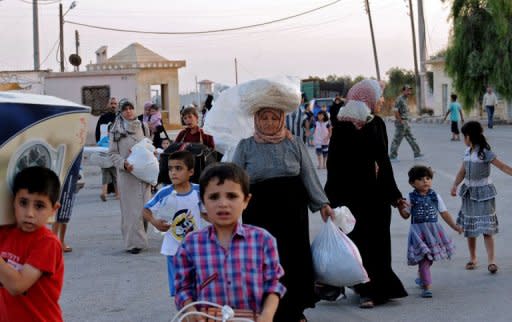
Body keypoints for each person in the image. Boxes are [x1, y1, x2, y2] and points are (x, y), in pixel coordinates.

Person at [232, 78, 334, 322]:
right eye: (264, 118)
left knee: (293, 259)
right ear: (256, 119)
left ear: (282, 119)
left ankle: (295, 309)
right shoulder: (245, 146)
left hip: (292, 212)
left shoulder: (294, 143)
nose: (269, 123)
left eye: (274, 118)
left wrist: (322, 204)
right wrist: (231, 207)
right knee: (264, 259)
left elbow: (308, 174)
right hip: (258, 211)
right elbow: (233, 179)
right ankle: (266, 310)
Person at [325, 79, 408, 308]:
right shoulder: (341, 126)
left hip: (377, 196)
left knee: (379, 243)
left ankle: (379, 287)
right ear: (365, 99)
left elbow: (384, 161)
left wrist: (395, 198)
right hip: (350, 197)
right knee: (359, 243)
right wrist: (329, 200)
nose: (381, 101)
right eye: (378, 97)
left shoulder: (377, 124)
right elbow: (334, 164)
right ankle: (365, 291)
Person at [174, 163, 286, 321]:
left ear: (246, 201)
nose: (223, 204)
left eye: (232, 196)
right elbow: (183, 287)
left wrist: (267, 315)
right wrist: (191, 311)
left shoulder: (262, 240)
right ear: (203, 202)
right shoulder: (191, 244)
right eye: (214, 197)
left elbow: (273, 284)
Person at [0, 166, 64, 322]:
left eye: (39, 206)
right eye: (23, 202)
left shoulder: (47, 243)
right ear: (12, 201)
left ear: (54, 209)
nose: (29, 213)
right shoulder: (6, 233)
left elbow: (17, 285)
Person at [450, 121, 512, 274]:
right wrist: (455, 184)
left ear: (469, 136)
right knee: (470, 228)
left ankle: (491, 261)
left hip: (484, 193)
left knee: (487, 228)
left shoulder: (485, 152)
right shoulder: (467, 152)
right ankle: (473, 258)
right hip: (469, 193)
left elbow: (503, 166)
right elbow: (462, 171)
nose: (464, 139)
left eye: (464, 136)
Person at [143, 151, 204, 297]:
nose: (173, 173)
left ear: (191, 171)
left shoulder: (199, 191)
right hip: (173, 249)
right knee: (179, 288)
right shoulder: (164, 193)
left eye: (178, 168)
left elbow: (207, 212)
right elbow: (146, 210)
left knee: (198, 286)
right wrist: (155, 222)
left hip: (197, 249)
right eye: (170, 169)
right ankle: (184, 313)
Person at [398, 165, 463, 298]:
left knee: (429, 258)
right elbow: (405, 216)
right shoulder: (411, 197)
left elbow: (444, 213)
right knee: (424, 259)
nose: (425, 181)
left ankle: (422, 277)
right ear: (412, 183)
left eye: (428, 178)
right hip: (419, 233)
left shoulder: (435, 196)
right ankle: (427, 286)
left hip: (433, 232)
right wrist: (400, 207)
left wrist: (454, 226)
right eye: (421, 179)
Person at [109, 99, 151, 254]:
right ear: (121, 111)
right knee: (131, 212)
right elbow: (112, 153)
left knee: (146, 210)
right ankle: (133, 244)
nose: (128, 111)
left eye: (131, 108)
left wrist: (151, 155)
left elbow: (148, 145)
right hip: (127, 176)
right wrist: (123, 163)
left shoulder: (143, 127)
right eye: (125, 109)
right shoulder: (115, 130)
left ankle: (141, 237)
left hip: (143, 175)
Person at [389, 85, 424, 162]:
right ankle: (392, 156)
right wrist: (400, 120)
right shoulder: (399, 99)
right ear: (403, 91)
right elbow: (395, 110)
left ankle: (417, 154)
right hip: (401, 122)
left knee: (411, 138)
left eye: (410, 91)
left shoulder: (405, 99)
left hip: (405, 122)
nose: (409, 92)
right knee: (397, 139)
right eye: (407, 90)